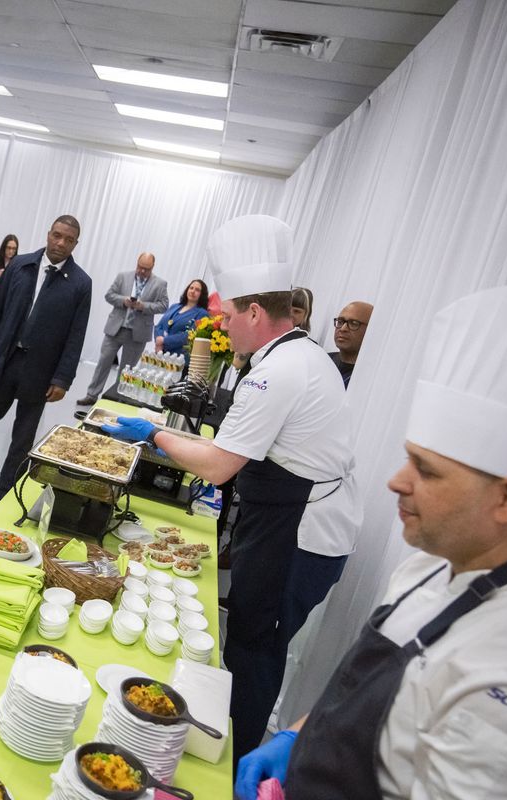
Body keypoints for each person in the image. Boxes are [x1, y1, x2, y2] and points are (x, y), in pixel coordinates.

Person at [236, 283, 507, 800]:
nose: (396, 481)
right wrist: (297, 734)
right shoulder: (425, 569)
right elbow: (359, 684)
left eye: (427, 471)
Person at [103, 216, 360, 760]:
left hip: (299, 534)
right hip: (290, 520)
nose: (219, 325)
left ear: (254, 312)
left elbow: (219, 467)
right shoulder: (297, 355)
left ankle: (238, 763)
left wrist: (151, 434)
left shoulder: (277, 372)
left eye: (225, 315)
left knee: (254, 647)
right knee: (249, 638)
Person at [0, 215, 92, 501]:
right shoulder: (20, 266)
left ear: (76, 244)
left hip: (40, 372)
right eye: (57, 235)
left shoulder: (80, 284)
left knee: (22, 440)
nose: (60, 243)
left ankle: (6, 492)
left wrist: (63, 378)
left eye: (68, 239)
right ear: (48, 234)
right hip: (3, 361)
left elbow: (75, 336)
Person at [76, 252, 167, 405]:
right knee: (103, 362)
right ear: (137, 263)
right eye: (140, 267)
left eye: (146, 269)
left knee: (127, 369)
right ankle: (91, 395)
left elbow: (163, 305)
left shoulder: (160, 284)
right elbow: (109, 295)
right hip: (115, 328)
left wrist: (143, 306)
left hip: (137, 333)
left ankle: (115, 398)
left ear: (152, 267)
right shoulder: (123, 276)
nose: (142, 271)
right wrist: (123, 301)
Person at [154, 278, 210, 356]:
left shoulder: (202, 314)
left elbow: (189, 336)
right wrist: (158, 341)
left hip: (178, 357)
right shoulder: (174, 306)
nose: (193, 291)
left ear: (202, 294)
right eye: (191, 288)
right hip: (160, 351)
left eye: (197, 290)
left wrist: (164, 340)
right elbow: (159, 326)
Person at [329, 301, 373, 387]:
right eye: (340, 321)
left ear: (370, 329)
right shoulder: (322, 359)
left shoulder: (370, 378)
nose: (343, 328)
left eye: (354, 323)